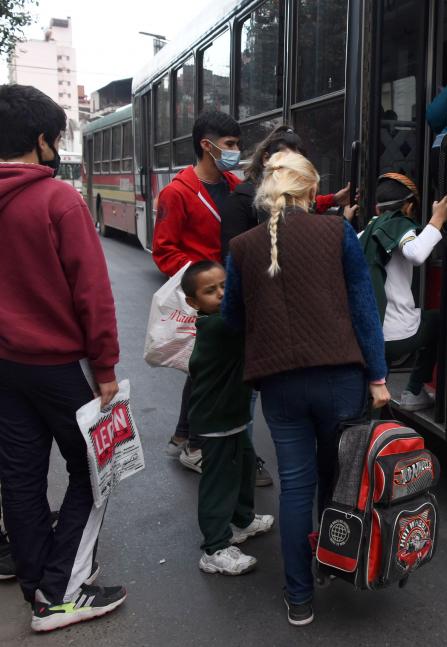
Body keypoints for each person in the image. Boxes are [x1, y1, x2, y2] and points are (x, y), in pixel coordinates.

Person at [222, 151, 390, 626]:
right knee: (336, 479)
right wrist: (377, 377)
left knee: (295, 486)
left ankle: (299, 599)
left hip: (278, 385)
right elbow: (363, 310)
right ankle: (331, 564)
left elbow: (234, 317)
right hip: (340, 380)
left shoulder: (242, 247)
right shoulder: (336, 232)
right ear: (309, 191)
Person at [0, 84, 126, 631]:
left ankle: (38, 582)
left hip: (5, 366)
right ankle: (61, 593)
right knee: (98, 469)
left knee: (21, 476)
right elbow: (92, 293)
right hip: (59, 367)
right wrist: (105, 370)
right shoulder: (59, 200)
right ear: (41, 140)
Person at [150, 111, 269, 486]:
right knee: (214, 369)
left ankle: (188, 437)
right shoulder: (177, 192)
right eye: (230, 145)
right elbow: (163, 251)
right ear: (207, 144)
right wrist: (205, 279)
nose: (236, 152)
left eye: (237, 144)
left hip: (231, 294)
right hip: (205, 297)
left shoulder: (236, 184)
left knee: (206, 369)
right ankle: (202, 447)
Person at [180, 261, 274, 576]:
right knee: (218, 483)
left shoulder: (220, 320)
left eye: (224, 285)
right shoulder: (220, 326)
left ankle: (242, 521)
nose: (221, 294)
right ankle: (215, 547)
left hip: (231, 416)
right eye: (210, 291)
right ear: (193, 302)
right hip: (216, 420)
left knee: (245, 466)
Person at [359, 173, 447, 410]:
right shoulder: (399, 224)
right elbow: (416, 254)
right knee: (440, 320)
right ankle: (414, 391)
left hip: (369, 334)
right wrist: (437, 220)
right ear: (409, 206)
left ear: (377, 207)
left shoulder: (365, 231)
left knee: (373, 402)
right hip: (397, 334)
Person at [221, 125, 353, 250]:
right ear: (266, 159)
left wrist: (334, 200)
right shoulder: (240, 201)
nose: (293, 168)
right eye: (287, 160)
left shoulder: (295, 201)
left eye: (298, 162)